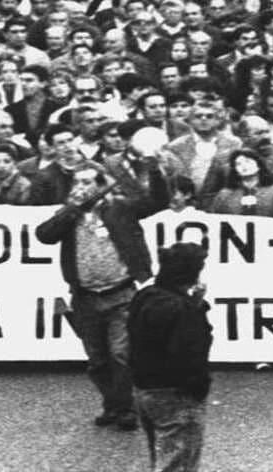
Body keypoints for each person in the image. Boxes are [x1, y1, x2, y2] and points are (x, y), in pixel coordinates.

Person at [34, 163, 164, 431]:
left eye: (87, 182)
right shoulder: (68, 216)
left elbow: (157, 201)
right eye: (77, 183)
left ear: (101, 185)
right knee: (97, 359)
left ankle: (125, 408)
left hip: (121, 293)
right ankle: (113, 403)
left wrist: (154, 170)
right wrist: (73, 209)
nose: (81, 188)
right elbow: (44, 235)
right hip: (85, 297)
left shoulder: (120, 209)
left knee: (121, 353)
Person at [128, 242, 213, 472]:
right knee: (179, 463)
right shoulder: (181, 309)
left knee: (162, 456)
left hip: (145, 388)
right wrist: (198, 389)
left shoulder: (145, 296)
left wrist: (192, 303)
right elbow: (190, 352)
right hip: (176, 394)